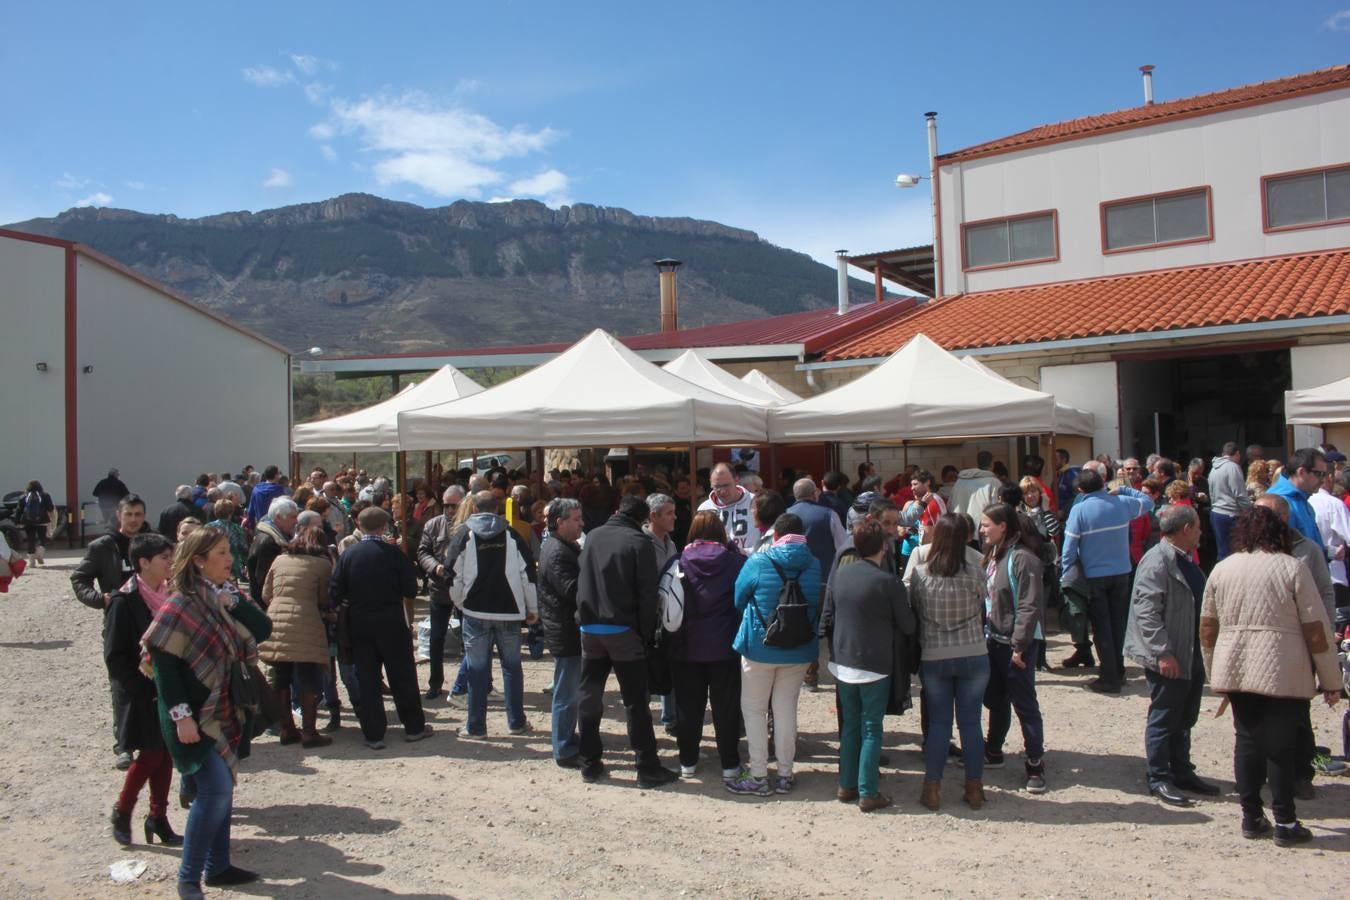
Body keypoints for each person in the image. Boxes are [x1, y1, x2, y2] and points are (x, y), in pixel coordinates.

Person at [1200, 506, 1342, 847]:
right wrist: (1332, 679)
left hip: (1235, 663)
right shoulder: (1292, 568)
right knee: (1281, 746)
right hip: (1284, 665)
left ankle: (1251, 816)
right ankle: (1286, 821)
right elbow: (1316, 629)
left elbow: (1208, 627)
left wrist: (1213, 671)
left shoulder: (1222, 569)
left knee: (1246, 741)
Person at [144, 526, 273, 896]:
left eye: (228, 552)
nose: (230, 559)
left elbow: (263, 628)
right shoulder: (180, 604)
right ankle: (188, 880)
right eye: (220, 553)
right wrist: (181, 717)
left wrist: (235, 601)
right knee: (215, 790)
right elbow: (164, 669)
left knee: (223, 789)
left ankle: (218, 867)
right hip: (192, 719)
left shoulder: (222, 597)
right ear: (198, 561)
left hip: (225, 711)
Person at [574, 494, 678, 787]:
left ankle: (590, 762)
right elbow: (647, 594)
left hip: (591, 628)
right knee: (636, 702)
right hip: (623, 631)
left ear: (617, 510)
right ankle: (646, 767)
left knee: (590, 696)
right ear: (644, 517)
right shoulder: (639, 542)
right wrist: (646, 634)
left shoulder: (593, 536)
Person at [1121, 504, 1221, 806]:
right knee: (1165, 715)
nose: (1202, 532)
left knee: (1185, 715)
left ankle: (1181, 769)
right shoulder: (1158, 561)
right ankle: (1159, 776)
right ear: (1186, 529)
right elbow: (1146, 612)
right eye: (1198, 527)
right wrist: (1162, 652)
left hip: (1188, 649)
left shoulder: (1183, 558)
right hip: (1170, 653)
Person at [819, 518, 915, 812]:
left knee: (850, 725)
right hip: (874, 662)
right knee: (872, 727)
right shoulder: (888, 582)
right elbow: (908, 625)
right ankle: (867, 790)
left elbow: (830, 611)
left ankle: (846, 784)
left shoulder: (842, 575)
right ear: (884, 547)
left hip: (843, 660)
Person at [729, 513, 821, 796]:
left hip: (760, 646)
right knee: (785, 710)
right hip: (800, 648)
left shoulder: (758, 561)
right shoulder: (814, 563)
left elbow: (738, 598)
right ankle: (784, 774)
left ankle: (757, 775)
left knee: (755, 710)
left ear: (776, 535)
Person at [330, 506, 431, 750]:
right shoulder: (394, 554)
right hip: (391, 619)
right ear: (384, 526)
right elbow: (410, 589)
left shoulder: (349, 555)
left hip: (360, 621)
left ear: (360, 525)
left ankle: (374, 733)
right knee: (402, 674)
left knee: (367, 677)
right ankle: (414, 727)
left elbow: (335, 592)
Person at [104, 532, 182, 847]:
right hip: (142, 692)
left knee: (165, 755)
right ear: (143, 562)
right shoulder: (124, 601)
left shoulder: (170, 593)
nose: (170, 563)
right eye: (164, 558)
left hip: (168, 687)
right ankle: (123, 811)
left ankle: (158, 817)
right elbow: (115, 656)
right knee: (151, 754)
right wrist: (141, 686)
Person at [907, 514, 989, 810]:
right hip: (972, 650)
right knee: (971, 724)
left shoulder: (920, 573)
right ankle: (975, 787)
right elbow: (983, 602)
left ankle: (932, 787)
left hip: (935, 652)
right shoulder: (976, 570)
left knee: (939, 724)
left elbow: (915, 607)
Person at [445, 491, 538, 738]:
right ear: (498, 508)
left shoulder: (465, 534)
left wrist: (460, 601)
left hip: (475, 611)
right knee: (512, 667)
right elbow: (527, 574)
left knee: (477, 669)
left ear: (473, 508)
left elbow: (452, 572)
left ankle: (476, 727)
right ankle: (516, 722)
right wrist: (532, 608)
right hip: (509, 612)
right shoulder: (511, 534)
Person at [74, 493, 155, 768]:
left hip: (153, 623)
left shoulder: (153, 544)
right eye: (129, 514)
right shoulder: (103, 547)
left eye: (138, 515)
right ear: (119, 516)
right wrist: (101, 599)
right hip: (119, 624)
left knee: (154, 681)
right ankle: (124, 744)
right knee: (121, 683)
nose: (134, 520)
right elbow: (80, 578)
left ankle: (154, 738)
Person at [667, 511, 746, 782]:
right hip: (725, 646)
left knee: (689, 707)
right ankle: (730, 764)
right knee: (726, 707)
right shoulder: (736, 562)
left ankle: (687, 761)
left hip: (686, 646)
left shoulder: (678, 562)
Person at [1060, 468, 1154, 690]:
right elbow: (1148, 501)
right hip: (1122, 572)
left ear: (1081, 490)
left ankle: (1109, 677)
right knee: (1118, 624)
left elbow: (1069, 547)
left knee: (1102, 627)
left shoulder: (1080, 510)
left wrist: (1065, 573)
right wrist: (1121, 489)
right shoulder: (1121, 502)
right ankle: (1118, 672)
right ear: (1103, 483)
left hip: (1095, 576)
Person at [980, 503, 1048, 794]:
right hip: (994, 640)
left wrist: (1020, 646)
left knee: (1024, 704)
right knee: (996, 699)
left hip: (1016, 645)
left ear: (1003, 526)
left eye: (986, 524)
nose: (982, 530)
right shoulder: (995, 555)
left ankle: (1035, 764)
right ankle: (993, 750)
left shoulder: (1023, 559)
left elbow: (1028, 605)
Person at [259, 526, 334, 749]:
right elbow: (324, 598)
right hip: (307, 622)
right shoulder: (322, 564)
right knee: (308, 677)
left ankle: (287, 729)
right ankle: (310, 732)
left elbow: (266, 594)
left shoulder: (280, 559)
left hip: (276, 623)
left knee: (281, 677)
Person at [538, 498, 585, 767]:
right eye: (576, 520)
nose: (581, 524)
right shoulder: (557, 552)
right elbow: (572, 591)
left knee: (570, 690)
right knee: (566, 693)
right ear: (560, 522)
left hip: (566, 628)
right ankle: (564, 748)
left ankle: (567, 739)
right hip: (565, 630)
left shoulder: (564, 548)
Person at [415, 486, 465, 700]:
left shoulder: (470, 525)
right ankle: (435, 683)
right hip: (440, 588)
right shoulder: (433, 525)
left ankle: (473, 683)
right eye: (446, 505)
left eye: (454, 505)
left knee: (470, 638)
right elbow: (423, 551)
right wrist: (435, 566)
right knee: (436, 638)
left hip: (465, 589)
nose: (450, 510)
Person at [787, 477, 850, 584]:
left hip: (794, 583)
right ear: (814, 494)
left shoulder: (785, 516)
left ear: (795, 495)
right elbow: (843, 547)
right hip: (824, 579)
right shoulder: (829, 515)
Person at [1306, 465, 1350, 610]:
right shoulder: (1334, 504)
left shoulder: (1303, 502)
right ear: (1330, 477)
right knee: (1335, 626)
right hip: (1333, 576)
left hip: (1307, 576)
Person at [698, 462, 760, 554]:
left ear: (736, 480)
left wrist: (745, 553)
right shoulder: (704, 509)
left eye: (726, 485)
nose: (722, 491)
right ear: (711, 484)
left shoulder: (756, 502)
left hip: (750, 563)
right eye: (717, 486)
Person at [1208, 442, 1251, 561]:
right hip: (1230, 515)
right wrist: (1251, 511)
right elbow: (1239, 494)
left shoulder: (1214, 468)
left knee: (1222, 552)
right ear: (1237, 454)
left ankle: (1220, 577)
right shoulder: (1233, 467)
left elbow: (1212, 492)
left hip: (1216, 513)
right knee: (1234, 554)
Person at [246, 498, 297, 592]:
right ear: (278, 517)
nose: (296, 521)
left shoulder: (277, 536)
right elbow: (263, 579)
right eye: (292, 517)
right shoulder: (269, 542)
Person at [949, 452, 1002, 521]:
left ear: (978, 463)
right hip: (982, 527)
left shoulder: (959, 482)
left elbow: (950, 506)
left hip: (960, 526)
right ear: (992, 464)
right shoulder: (994, 482)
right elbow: (997, 510)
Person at [205, 500, 248, 583]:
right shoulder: (236, 528)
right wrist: (245, 565)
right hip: (232, 566)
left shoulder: (208, 527)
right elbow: (243, 548)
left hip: (212, 563)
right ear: (230, 513)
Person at [16, 479, 54, 566]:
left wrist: (17, 521)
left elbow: (19, 510)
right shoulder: (45, 495)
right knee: (42, 538)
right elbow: (50, 509)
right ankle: (39, 554)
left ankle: (32, 562)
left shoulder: (23, 497)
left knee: (30, 540)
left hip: (28, 521)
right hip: (42, 521)